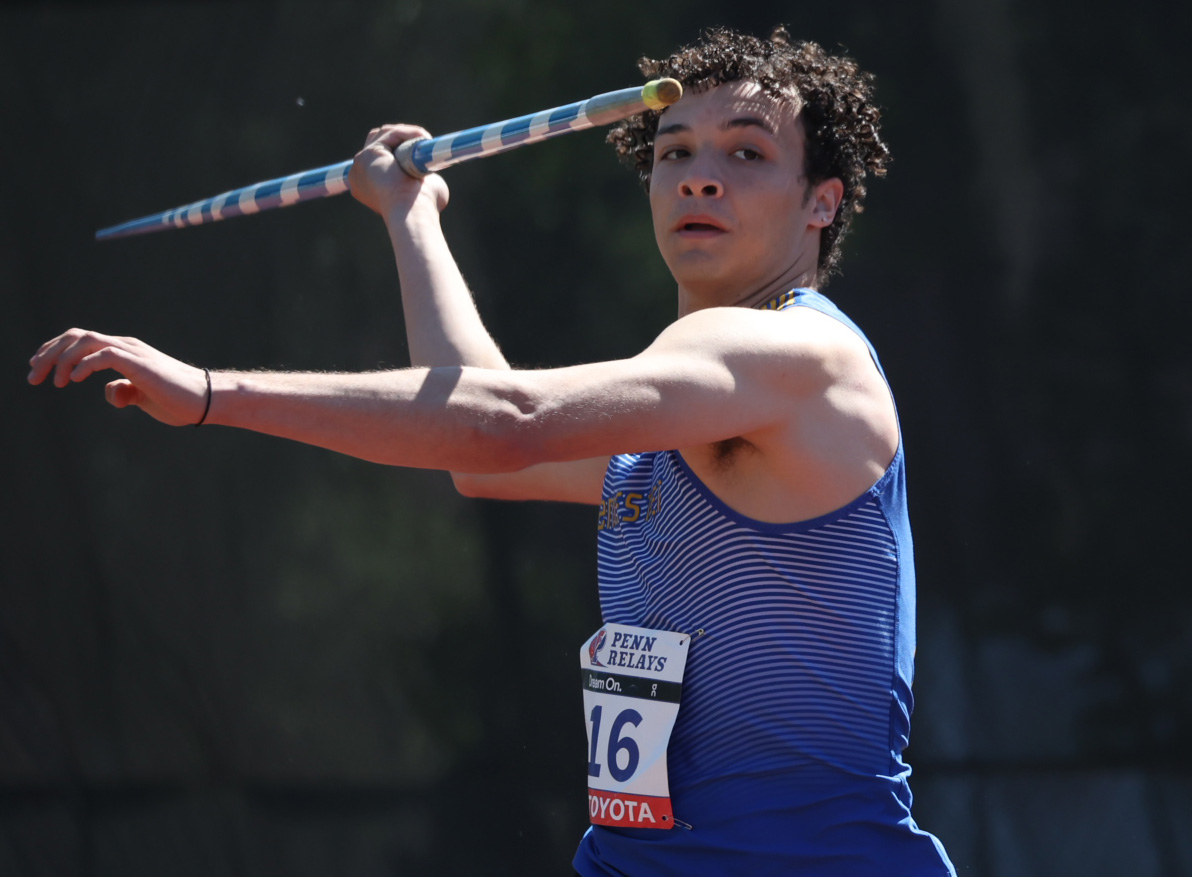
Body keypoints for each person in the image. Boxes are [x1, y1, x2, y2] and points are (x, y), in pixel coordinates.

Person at [29, 26, 955, 876]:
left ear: (821, 204)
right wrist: (412, 216)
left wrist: (211, 392)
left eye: (746, 153)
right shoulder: (683, 419)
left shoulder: (800, 356)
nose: (699, 176)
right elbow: (479, 447)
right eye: (675, 152)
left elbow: (502, 420)